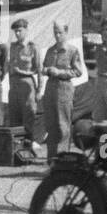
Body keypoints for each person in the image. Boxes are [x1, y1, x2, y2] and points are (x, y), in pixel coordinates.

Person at [41, 19, 84, 155]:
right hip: (50, 88)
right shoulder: (50, 50)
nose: (57, 35)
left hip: (64, 88)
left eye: (60, 32)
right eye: (55, 32)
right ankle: (51, 157)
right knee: (51, 124)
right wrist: (46, 70)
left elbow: (78, 71)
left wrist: (60, 72)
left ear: (66, 32)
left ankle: (62, 156)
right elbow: (44, 66)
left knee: (63, 124)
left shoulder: (72, 51)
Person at [6, 18, 39, 141]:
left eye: (19, 31)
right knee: (14, 115)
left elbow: (39, 70)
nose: (17, 34)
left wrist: (39, 91)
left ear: (26, 30)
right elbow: (10, 67)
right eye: (15, 31)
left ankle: (29, 144)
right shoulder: (13, 47)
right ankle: (15, 146)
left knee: (28, 115)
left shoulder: (32, 47)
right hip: (14, 85)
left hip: (27, 84)